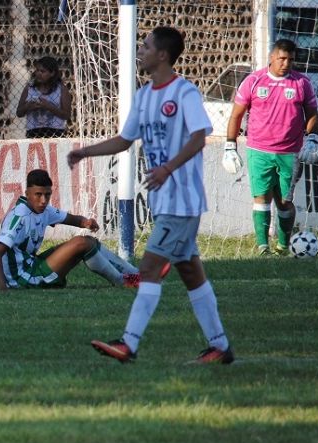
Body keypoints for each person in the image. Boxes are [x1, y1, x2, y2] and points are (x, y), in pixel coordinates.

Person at [67, 26, 234, 364]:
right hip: (165, 201)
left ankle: (129, 343)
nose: (139, 51)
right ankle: (219, 346)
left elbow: (200, 136)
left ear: (162, 55)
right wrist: (86, 152)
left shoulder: (185, 92)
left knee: (149, 267)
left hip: (182, 201)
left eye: (145, 46)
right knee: (190, 273)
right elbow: (125, 140)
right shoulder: (144, 97)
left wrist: (168, 168)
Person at [223, 39, 318, 256]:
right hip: (259, 150)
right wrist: (230, 146)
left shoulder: (301, 83)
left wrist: (312, 138)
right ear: (272, 57)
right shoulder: (254, 81)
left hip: (290, 152)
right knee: (261, 198)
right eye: (282, 58)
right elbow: (237, 115)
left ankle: (284, 246)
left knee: (285, 202)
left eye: (291, 59)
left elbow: (312, 114)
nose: (286, 63)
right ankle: (262, 247)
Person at [0, 169, 157, 291]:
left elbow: (70, 218)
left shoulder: (44, 210)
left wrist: (85, 222)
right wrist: (3, 289)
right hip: (23, 278)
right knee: (81, 243)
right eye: (38, 194)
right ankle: (123, 281)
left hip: (33, 265)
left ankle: (137, 274)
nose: (43, 200)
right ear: (27, 193)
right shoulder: (19, 217)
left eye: (47, 195)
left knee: (89, 242)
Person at [16, 56, 72, 139]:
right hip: (33, 132)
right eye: (37, 70)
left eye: (42, 71)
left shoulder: (61, 89)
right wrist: (28, 106)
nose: (38, 73)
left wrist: (48, 106)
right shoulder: (30, 88)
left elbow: (66, 115)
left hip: (55, 132)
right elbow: (19, 113)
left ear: (52, 73)